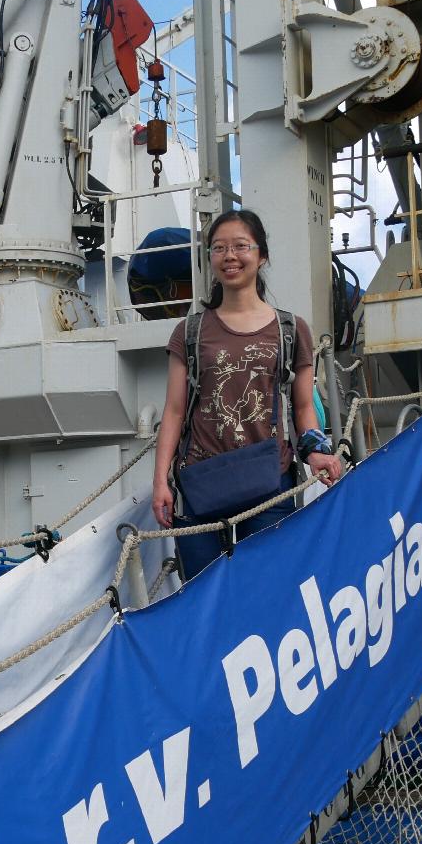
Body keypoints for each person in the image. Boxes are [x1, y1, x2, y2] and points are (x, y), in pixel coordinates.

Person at [151, 209, 347, 573]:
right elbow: (175, 411)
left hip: (270, 484)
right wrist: (161, 480)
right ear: (209, 258)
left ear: (262, 255)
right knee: (203, 595)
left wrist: (317, 453)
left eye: (241, 246)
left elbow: (304, 407)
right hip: (200, 485)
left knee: (270, 588)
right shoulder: (189, 332)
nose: (229, 256)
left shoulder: (291, 329)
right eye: (219, 248)